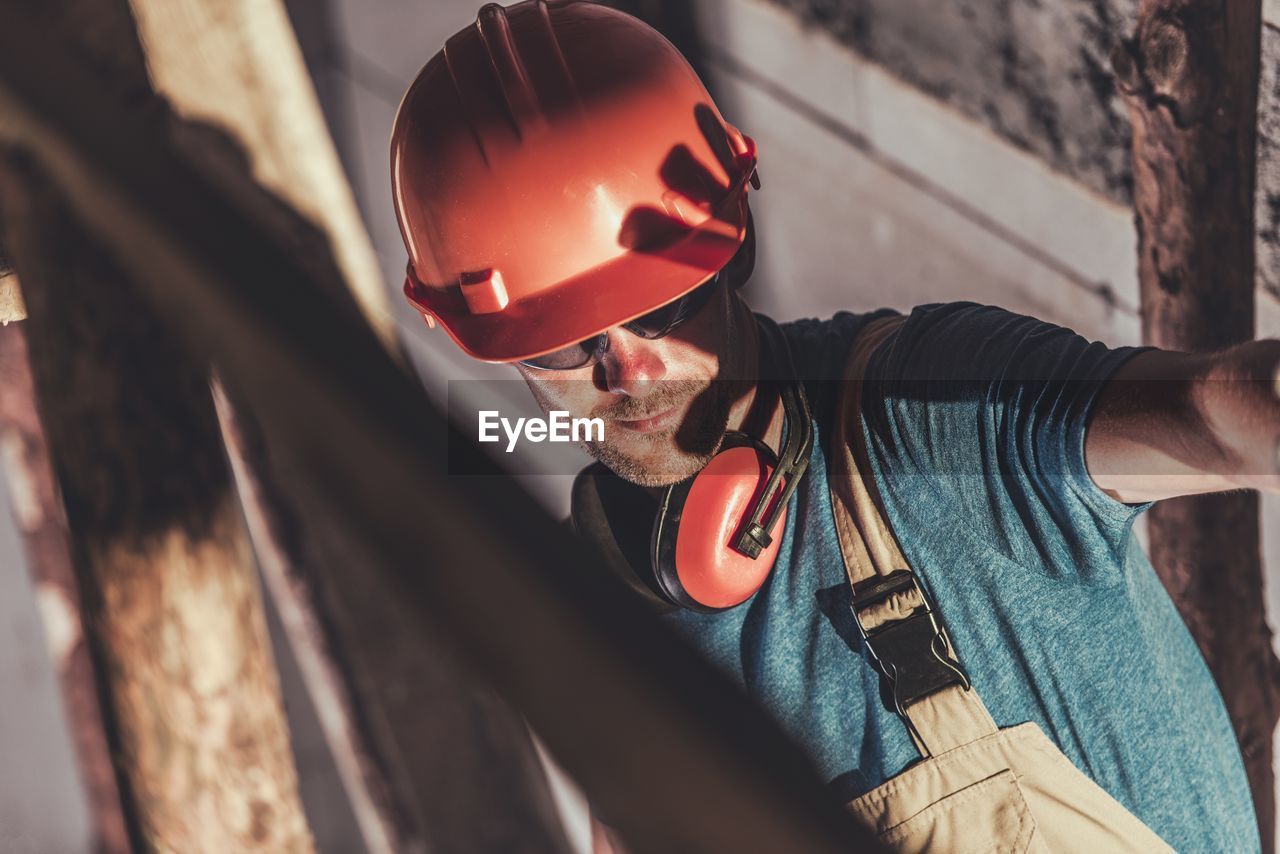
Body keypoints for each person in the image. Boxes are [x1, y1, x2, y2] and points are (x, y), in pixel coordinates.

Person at [391, 2, 1280, 850]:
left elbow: (1211, 415)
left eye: (667, 307)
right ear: (492, 347)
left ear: (736, 241)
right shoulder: (595, 606)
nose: (630, 370)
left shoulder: (925, 420)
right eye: (567, 343)